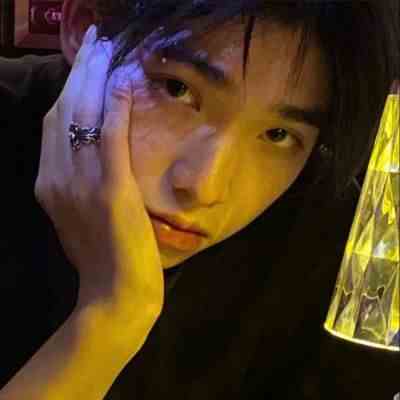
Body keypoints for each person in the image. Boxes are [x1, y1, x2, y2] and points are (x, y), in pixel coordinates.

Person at [0, 0, 399, 398]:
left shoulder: (322, 240)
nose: (206, 187)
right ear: (85, 26)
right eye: (178, 89)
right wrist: (110, 320)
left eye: (277, 135)